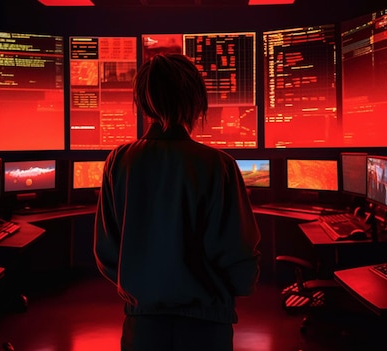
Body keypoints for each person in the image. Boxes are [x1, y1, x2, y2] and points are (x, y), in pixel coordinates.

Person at [93, 53, 261, 351]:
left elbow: (108, 252)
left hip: (142, 326)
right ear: (197, 102)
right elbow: (237, 254)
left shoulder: (119, 161)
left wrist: (144, 285)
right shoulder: (218, 165)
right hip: (207, 326)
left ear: (143, 102)